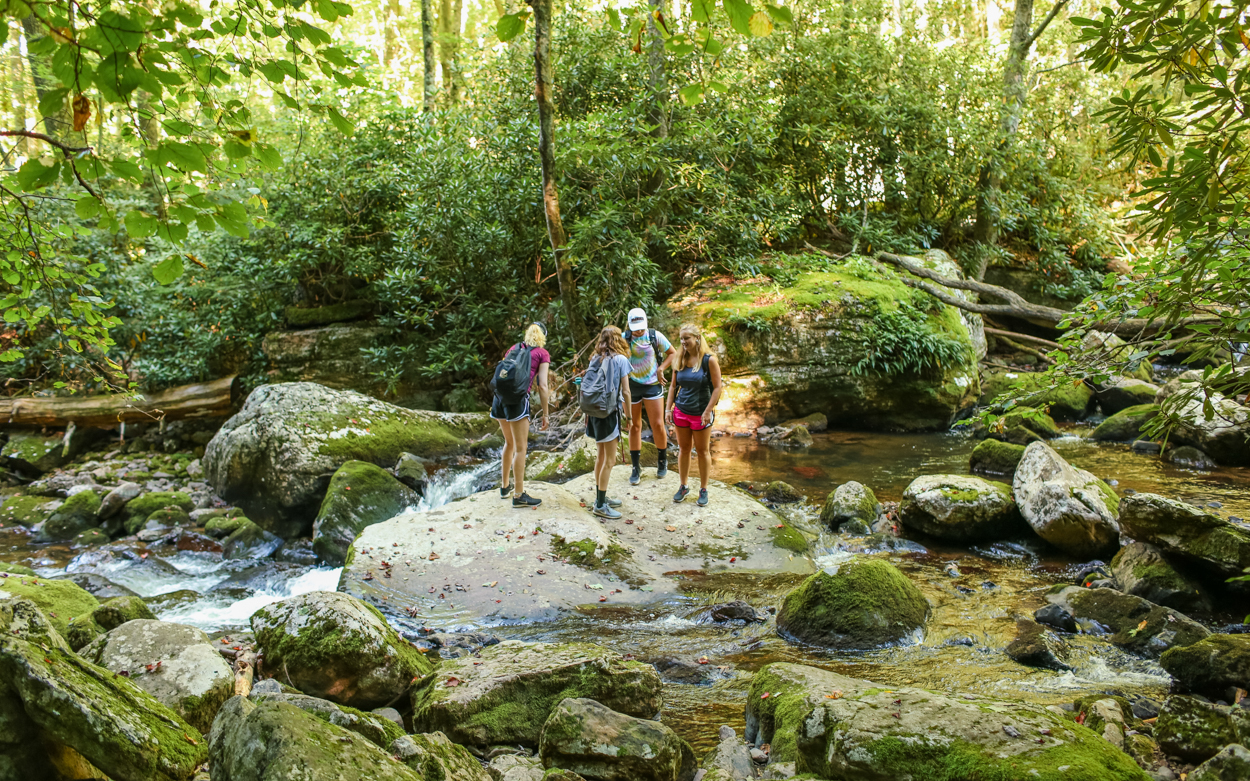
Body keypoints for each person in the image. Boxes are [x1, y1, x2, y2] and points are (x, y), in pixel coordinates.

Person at [490, 322, 550, 508]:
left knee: (509, 443)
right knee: (521, 448)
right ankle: (518, 495)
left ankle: (504, 487)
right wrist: (546, 414)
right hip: (517, 403)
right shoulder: (542, 353)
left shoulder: (514, 348)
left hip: (499, 399)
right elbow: (543, 385)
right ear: (543, 337)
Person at [664, 323, 722, 506]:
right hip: (681, 411)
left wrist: (707, 411)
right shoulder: (679, 359)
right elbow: (673, 386)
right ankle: (683, 485)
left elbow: (718, 387)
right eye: (681, 339)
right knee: (683, 449)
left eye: (687, 338)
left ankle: (703, 489)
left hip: (701, 413)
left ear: (697, 338)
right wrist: (668, 409)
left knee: (703, 450)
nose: (683, 342)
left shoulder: (709, 360)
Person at [623, 307, 676, 486]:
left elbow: (673, 353)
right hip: (631, 386)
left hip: (653, 384)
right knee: (634, 426)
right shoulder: (624, 339)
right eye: (635, 327)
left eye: (641, 326)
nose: (638, 330)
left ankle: (662, 461)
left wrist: (661, 368)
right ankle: (636, 467)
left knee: (658, 424)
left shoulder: (655, 336)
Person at [585, 325, 633, 518]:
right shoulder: (621, 359)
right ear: (618, 340)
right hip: (609, 413)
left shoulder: (594, 358)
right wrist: (629, 417)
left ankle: (600, 496)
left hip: (594, 412)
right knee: (610, 460)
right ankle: (600, 505)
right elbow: (627, 392)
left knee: (600, 457)